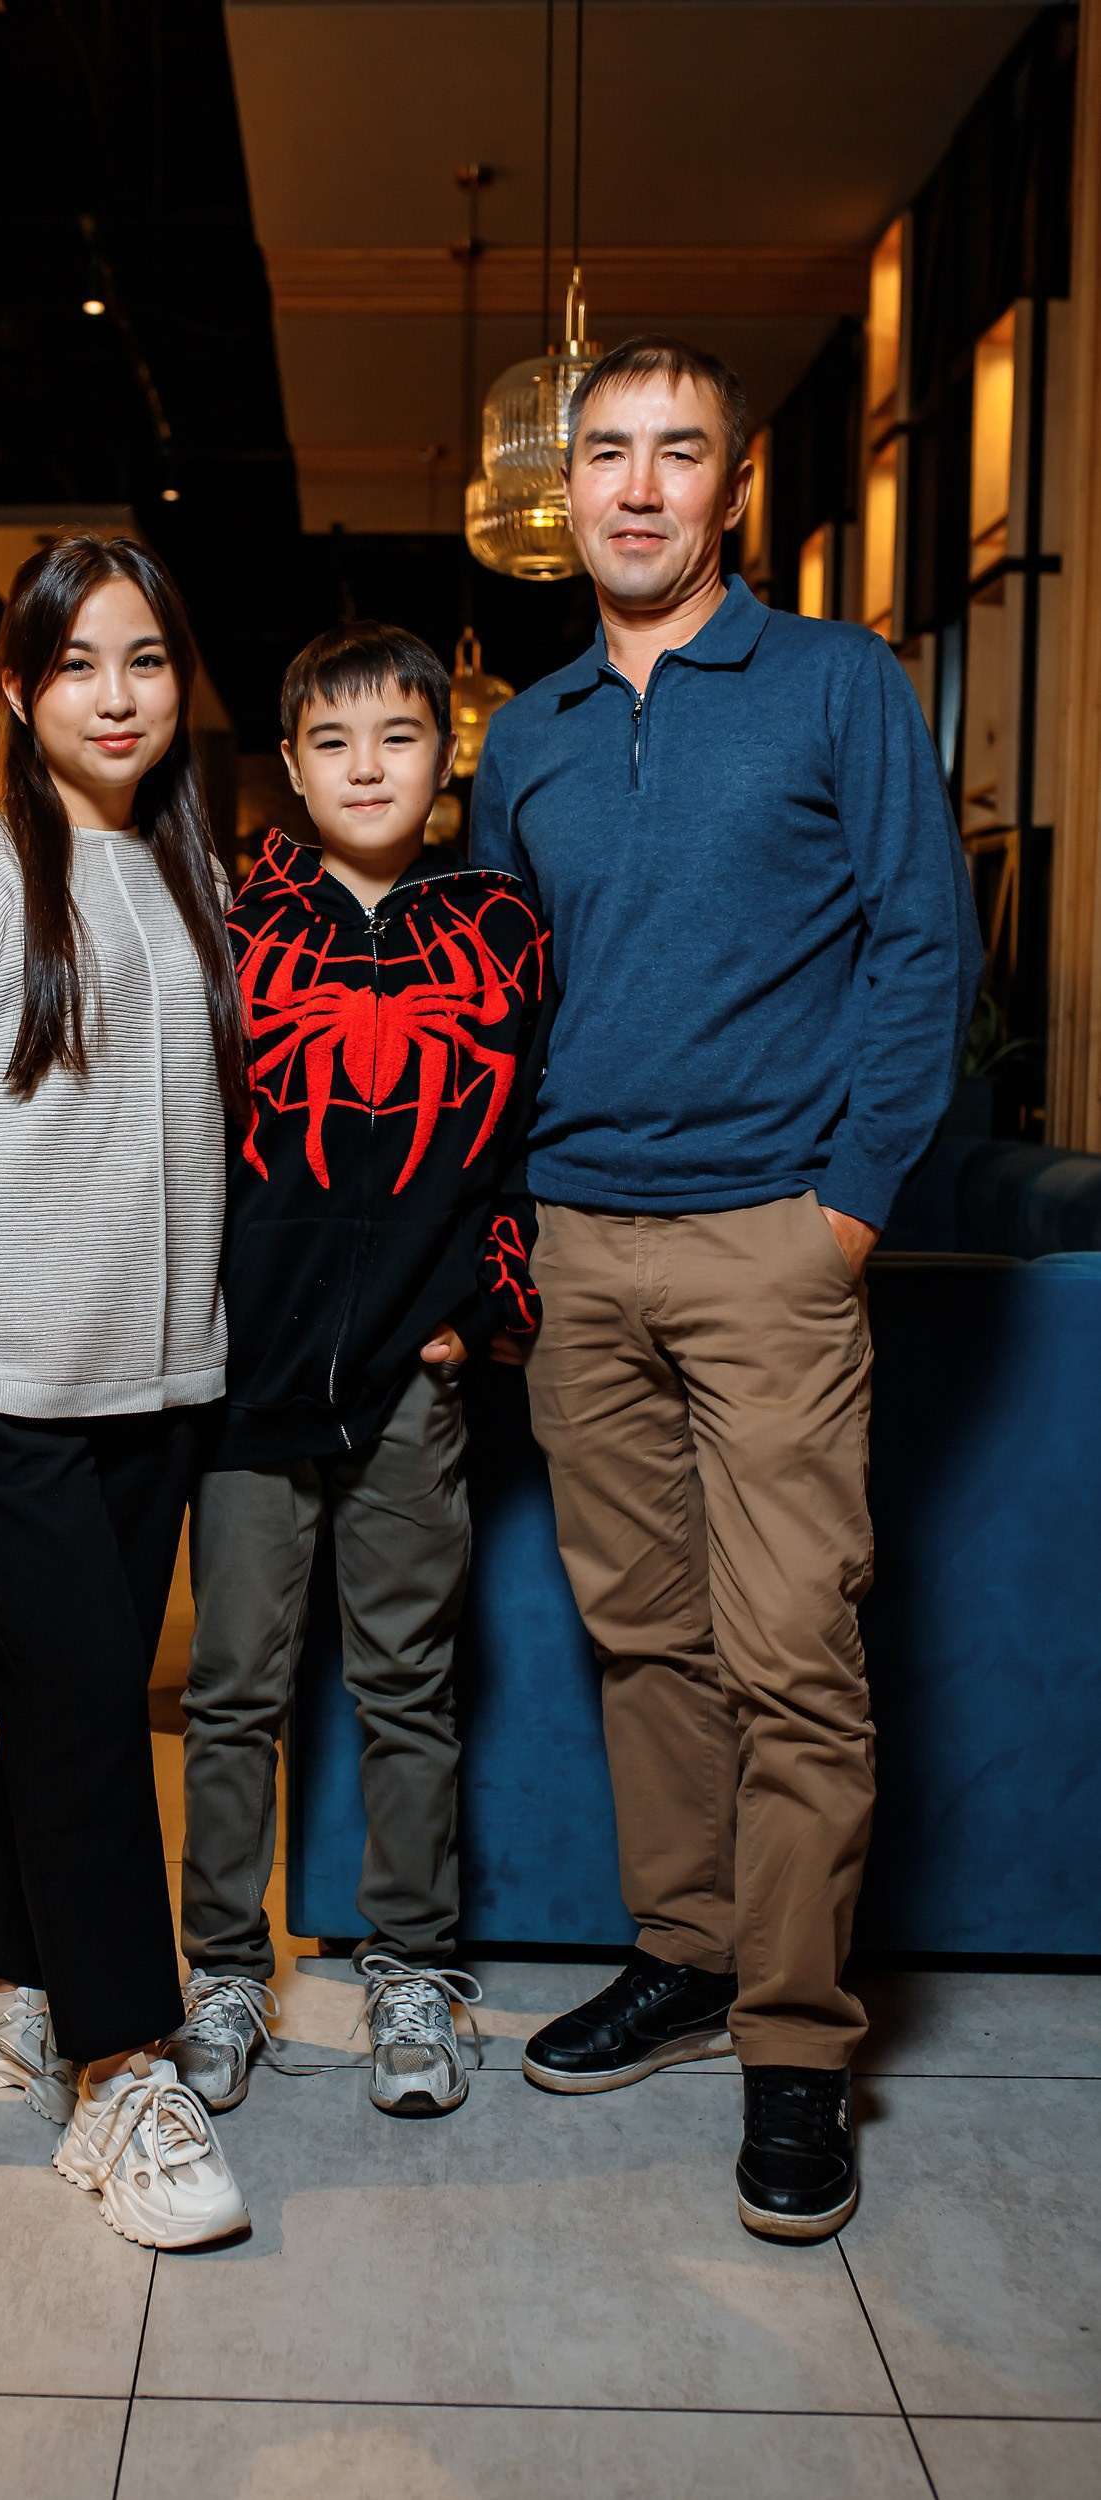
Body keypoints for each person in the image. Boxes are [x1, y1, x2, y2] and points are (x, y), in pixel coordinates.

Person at [470, 337, 983, 2241]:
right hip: (578, 1244)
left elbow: (923, 947)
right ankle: (686, 1956)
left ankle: (797, 2044)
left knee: (794, 1652)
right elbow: (491, 1003)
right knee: (646, 1638)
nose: (636, 486)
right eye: (606, 452)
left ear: (732, 488)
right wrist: (500, 1234)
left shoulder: (840, 683)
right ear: (568, 488)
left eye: (676, 452)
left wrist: (846, 1209)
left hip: (773, 1236)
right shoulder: (524, 736)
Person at [0, 532, 252, 2250]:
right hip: (1, 1393)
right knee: (90, 1716)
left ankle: (19, 1990)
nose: (116, 694)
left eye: (145, 659)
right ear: (17, 688)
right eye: (77, 662)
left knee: (63, 1705)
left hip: (159, 1389)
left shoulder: (188, 869)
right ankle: (123, 2069)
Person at [167, 622, 548, 2121]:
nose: (367, 767)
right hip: (247, 1376)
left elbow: (527, 1136)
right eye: (333, 743)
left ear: (446, 755)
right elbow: (179, 1134)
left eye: (398, 737)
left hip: (410, 1377)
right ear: (291, 765)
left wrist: (484, 1300)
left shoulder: (501, 926)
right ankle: (222, 1972)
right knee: (232, 1689)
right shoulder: (233, 924)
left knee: (409, 1682)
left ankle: (411, 1969)